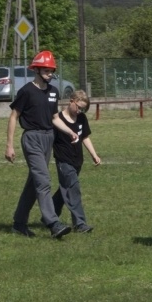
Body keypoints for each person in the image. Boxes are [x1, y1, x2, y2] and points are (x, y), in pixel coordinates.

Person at [5, 50, 78, 239]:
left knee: (34, 183)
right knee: (43, 181)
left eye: (52, 70)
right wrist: (9, 145)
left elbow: (55, 117)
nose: (50, 73)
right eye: (46, 70)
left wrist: (69, 131)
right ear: (36, 70)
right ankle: (53, 223)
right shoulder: (26, 91)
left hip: (48, 138)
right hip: (32, 138)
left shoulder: (53, 91)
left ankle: (19, 223)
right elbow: (14, 116)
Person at [52, 90, 101, 233]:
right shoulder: (58, 119)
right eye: (78, 107)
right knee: (73, 190)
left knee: (65, 190)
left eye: (83, 109)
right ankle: (80, 224)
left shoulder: (81, 118)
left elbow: (85, 137)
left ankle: (49, 215)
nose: (80, 111)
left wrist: (94, 154)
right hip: (64, 161)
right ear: (71, 101)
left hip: (77, 161)